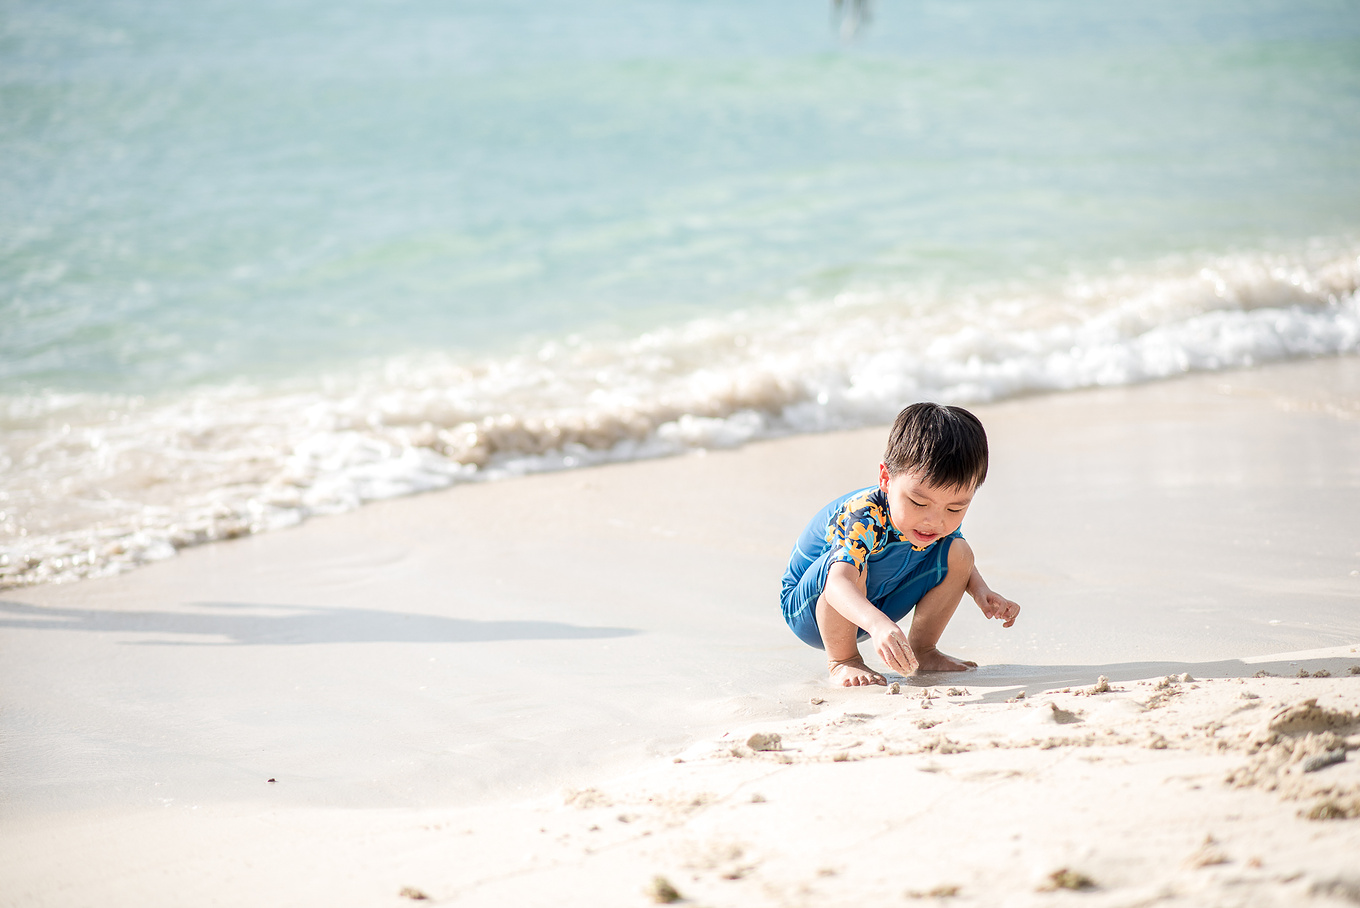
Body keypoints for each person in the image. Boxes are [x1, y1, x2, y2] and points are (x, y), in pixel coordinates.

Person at [780, 402, 1020, 686]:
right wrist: (877, 623)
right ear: (886, 478)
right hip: (812, 609)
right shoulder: (863, 514)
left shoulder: (937, 518)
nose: (934, 520)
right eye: (919, 502)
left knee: (958, 550)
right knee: (853, 564)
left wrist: (981, 591)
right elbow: (837, 583)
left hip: (881, 599)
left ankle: (924, 650)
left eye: (955, 508)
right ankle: (843, 660)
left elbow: (958, 557)